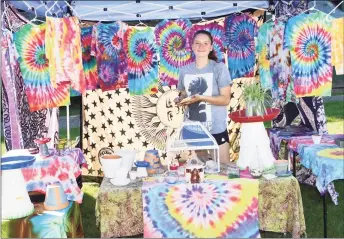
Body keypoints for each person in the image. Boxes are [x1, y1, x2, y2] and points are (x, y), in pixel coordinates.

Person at [175, 30, 232, 164]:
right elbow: (183, 93)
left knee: (223, 169)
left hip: (216, 128)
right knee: (201, 170)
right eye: (198, 43)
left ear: (211, 47)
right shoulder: (184, 70)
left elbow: (225, 99)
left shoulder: (219, 68)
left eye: (205, 43)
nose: (201, 47)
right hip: (194, 128)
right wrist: (179, 99)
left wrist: (201, 98)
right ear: (192, 46)